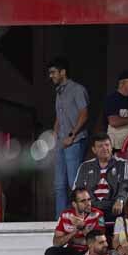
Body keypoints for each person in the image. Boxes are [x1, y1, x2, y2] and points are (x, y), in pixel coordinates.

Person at [47, 57, 90, 217]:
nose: (51, 76)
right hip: (61, 142)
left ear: (63, 72)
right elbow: (60, 116)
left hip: (74, 141)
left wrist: (71, 135)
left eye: (53, 72)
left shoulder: (77, 89)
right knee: (59, 185)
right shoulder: (59, 92)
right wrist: (55, 133)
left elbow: (84, 114)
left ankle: (77, 218)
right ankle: (60, 221)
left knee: (74, 183)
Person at [74, 134, 128, 218]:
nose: (104, 148)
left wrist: (120, 200)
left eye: (107, 145)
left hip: (113, 206)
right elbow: (78, 189)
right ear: (94, 150)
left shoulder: (123, 164)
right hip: (90, 207)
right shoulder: (85, 166)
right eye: (100, 146)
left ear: (111, 147)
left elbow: (125, 186)